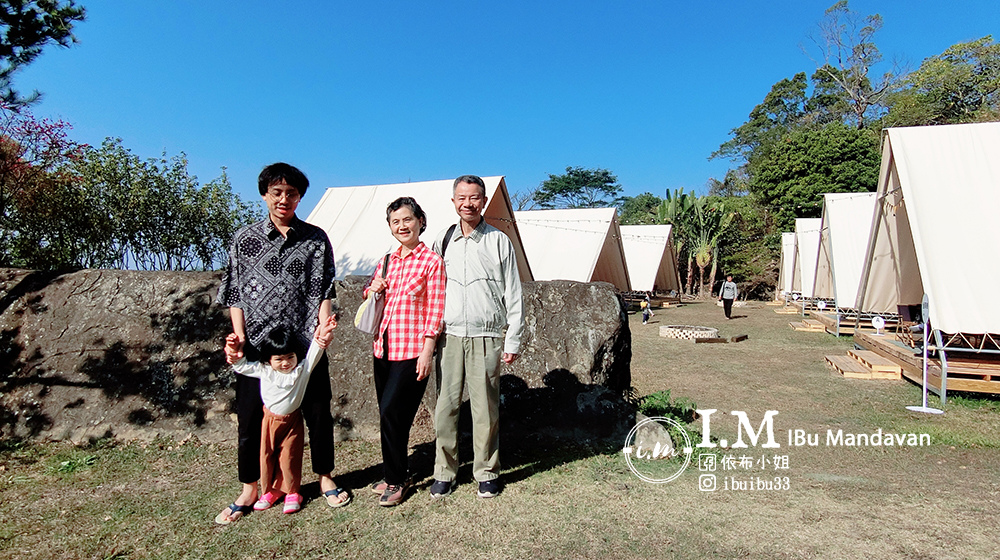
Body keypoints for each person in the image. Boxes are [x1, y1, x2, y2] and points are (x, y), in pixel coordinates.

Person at [214, 163, 348, 525]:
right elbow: (235, 293)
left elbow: (324, 289)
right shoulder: (244, 239)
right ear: (264, 195)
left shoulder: (316, 239)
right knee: (250, 420)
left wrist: (323, 329)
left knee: (319, 414)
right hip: (257, 347)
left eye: (291, 193)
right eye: (277, 192)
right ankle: (250, 487)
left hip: (305, 345)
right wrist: (238, 339)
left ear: (300, 196)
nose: (284, 199)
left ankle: (324, 477)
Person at [429, 174, 524, 499]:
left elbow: (514, 293)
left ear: (484, 201)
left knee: (485, 409)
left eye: (474, 198)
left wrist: (512, 339)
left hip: (487, 335)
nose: (468, 203)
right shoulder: (442, 240)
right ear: (453, 201)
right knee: (446, 408)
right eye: (462, 198)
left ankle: (486, 471)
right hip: (449, 337)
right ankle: (444, 471)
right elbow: (429, 289)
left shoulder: (499, 241)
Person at [364, 196, 446, 507]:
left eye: (407, 219)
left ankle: (398, 480)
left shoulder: (431, 262)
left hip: (411, 351)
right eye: (395, 221)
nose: (402, 226)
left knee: (392, 413)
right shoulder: (385, 261)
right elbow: (370, 293)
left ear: (420, 221)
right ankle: (392, 473)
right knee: (389, 416)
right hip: (382, 346)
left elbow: (436, 309)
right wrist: (373, 289)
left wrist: (427, 350)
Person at [225, 317, 337, 514]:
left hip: (292, 423)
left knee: (289, 457)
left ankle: (293, 492)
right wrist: (233, 350)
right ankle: (270, 491)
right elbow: (241, 366)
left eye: (290, 357)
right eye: (278, 359)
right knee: (266, 457)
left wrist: (324, 331)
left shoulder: (302, 370)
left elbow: (315, 351)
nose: (285, 363)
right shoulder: (264, 371)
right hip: (268, 421)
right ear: (269, 360)